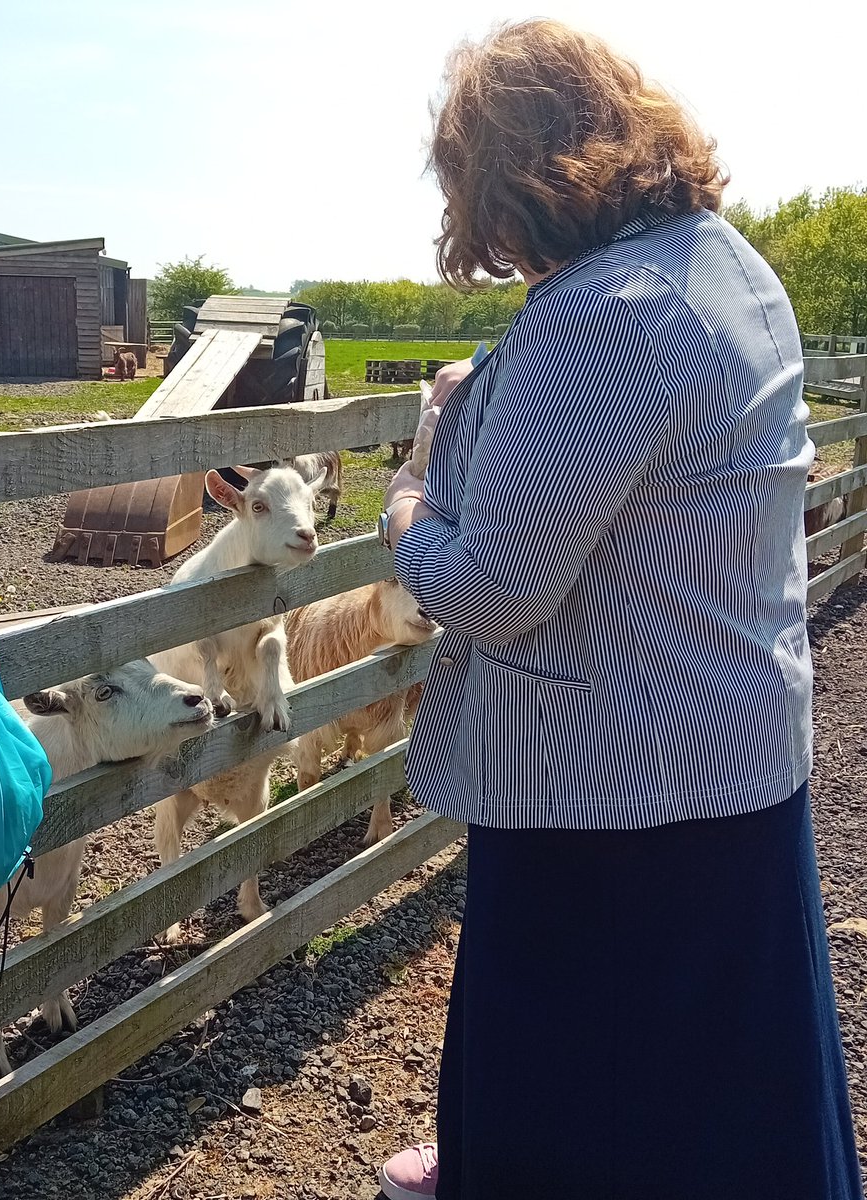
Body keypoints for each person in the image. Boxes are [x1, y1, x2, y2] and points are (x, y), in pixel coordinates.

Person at [374, 19, 863, 1200]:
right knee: (724, 1074)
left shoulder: (604, 314)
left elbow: (491, 591)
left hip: (612, 786)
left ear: (505, 176)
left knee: (589, 1071)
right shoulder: (726, 262)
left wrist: (408, 495)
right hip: (730, 749)